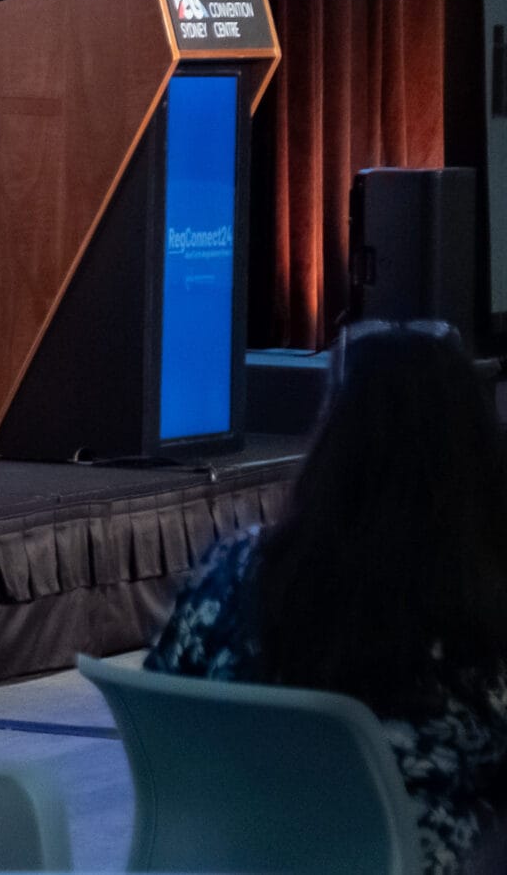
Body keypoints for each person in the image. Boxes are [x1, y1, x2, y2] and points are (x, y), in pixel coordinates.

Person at [145, 325, 507, 875]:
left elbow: (165, 709)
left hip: (242, 860)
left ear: (332, 441)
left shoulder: (234, 571)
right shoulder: (480, 601)